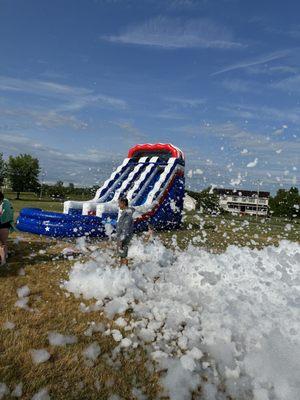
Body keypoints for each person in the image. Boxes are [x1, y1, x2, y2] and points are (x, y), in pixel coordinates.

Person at [116, 197, 134, 266]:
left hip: (124, 236)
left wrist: (121, 239)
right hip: (122, 235)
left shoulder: (127, 213)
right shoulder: (126, 212)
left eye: (119, 203)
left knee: (123, 254)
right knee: (121, 254)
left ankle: (125, 270)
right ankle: (122, 269)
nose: (118, 205)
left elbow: (126, 226)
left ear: (123, 203)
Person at [0, 191, 14, 266]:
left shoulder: (4, 204)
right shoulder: (7, 202)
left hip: (3, 225)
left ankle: (3, 260)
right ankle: (5, 256)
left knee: (2, 244)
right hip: (5, 225)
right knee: (3, 243)